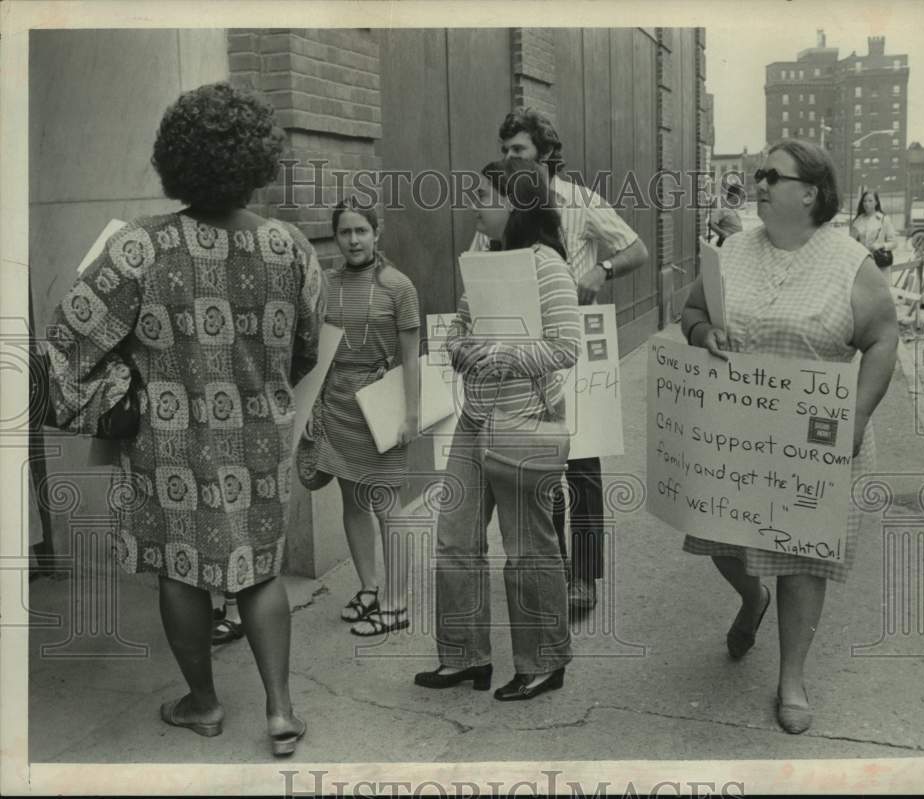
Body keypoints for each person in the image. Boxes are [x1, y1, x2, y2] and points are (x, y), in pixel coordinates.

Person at [44, 82, 323, 756]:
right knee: (260, 567)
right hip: (258, 435)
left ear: (175, 159)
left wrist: (129, 380)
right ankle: (281, 709)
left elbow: (65, 345)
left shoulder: (139, 247)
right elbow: (306, 347)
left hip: (171, 441)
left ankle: (202, 703)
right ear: (258, 158)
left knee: (181, 569)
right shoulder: (290, 248)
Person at [680, 140, 898, 734]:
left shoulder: (849, 262)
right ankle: (753, 599)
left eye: (771, 175)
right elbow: (692, 312)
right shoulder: (731, 249)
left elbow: (882, 339)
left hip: (814, 439)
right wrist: (703, 336)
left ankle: (791, 677)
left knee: (803, 559)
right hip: (737, 435)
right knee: (719, 539)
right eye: (758, 174)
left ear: (810, 192)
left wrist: (856, 414)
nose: (758, 183)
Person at [415, 157, 582, 700]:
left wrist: (501, 352)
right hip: (476, 416)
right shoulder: (484, 257)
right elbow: (462, 328)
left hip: (527, 421)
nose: (475, 206)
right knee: (454, 538)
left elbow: (565, 347)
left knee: (528, 548)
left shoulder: (547, 265)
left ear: (515, 203)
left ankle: (542, 662)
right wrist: (462, 349)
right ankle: (464, 657)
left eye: (484, 196)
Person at [470, 108, 648, 615]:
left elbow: (636, 249)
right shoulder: (499, 202)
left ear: (545, 154)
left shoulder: (582, 201)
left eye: (518, 150)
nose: (508, 158)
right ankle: (557, 570)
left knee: (582, 467)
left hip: (575, 348)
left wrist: (602, 270)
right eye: (504, 150)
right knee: (542, 462)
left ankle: (585, 578)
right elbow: (478, 264)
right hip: (526, 351)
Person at [305, 199, 420, 636]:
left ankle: (397, 601)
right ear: (335, 238)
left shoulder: (398, 286)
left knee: (387, 505)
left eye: (361, 231)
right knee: (352, 502)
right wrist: (313, 405)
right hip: (337, 403)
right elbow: (318, 353)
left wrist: (410, 415)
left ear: (376, 234)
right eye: (344, 232)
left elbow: (411, 358)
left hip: (381, 402)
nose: (353, 240)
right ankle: (369, 588)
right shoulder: (326, 285)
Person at [850, 189, 897, 278]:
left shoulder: (883, 219)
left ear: (876, 202)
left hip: (879, 264)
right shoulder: (858, 220)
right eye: (864, 201)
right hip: (862, 262)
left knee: (879, 289)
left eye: (870, 201)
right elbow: (851, 242)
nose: (867, 204)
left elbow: (894, 243)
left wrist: (880, 245)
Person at [707, 182, 744, 247]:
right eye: (742, 196)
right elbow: (711, 223)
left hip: (735, 244)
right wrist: (723, 234)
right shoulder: (723, 209)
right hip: (727, 245)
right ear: (735, 196)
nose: (742, 198)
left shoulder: (732, 209)